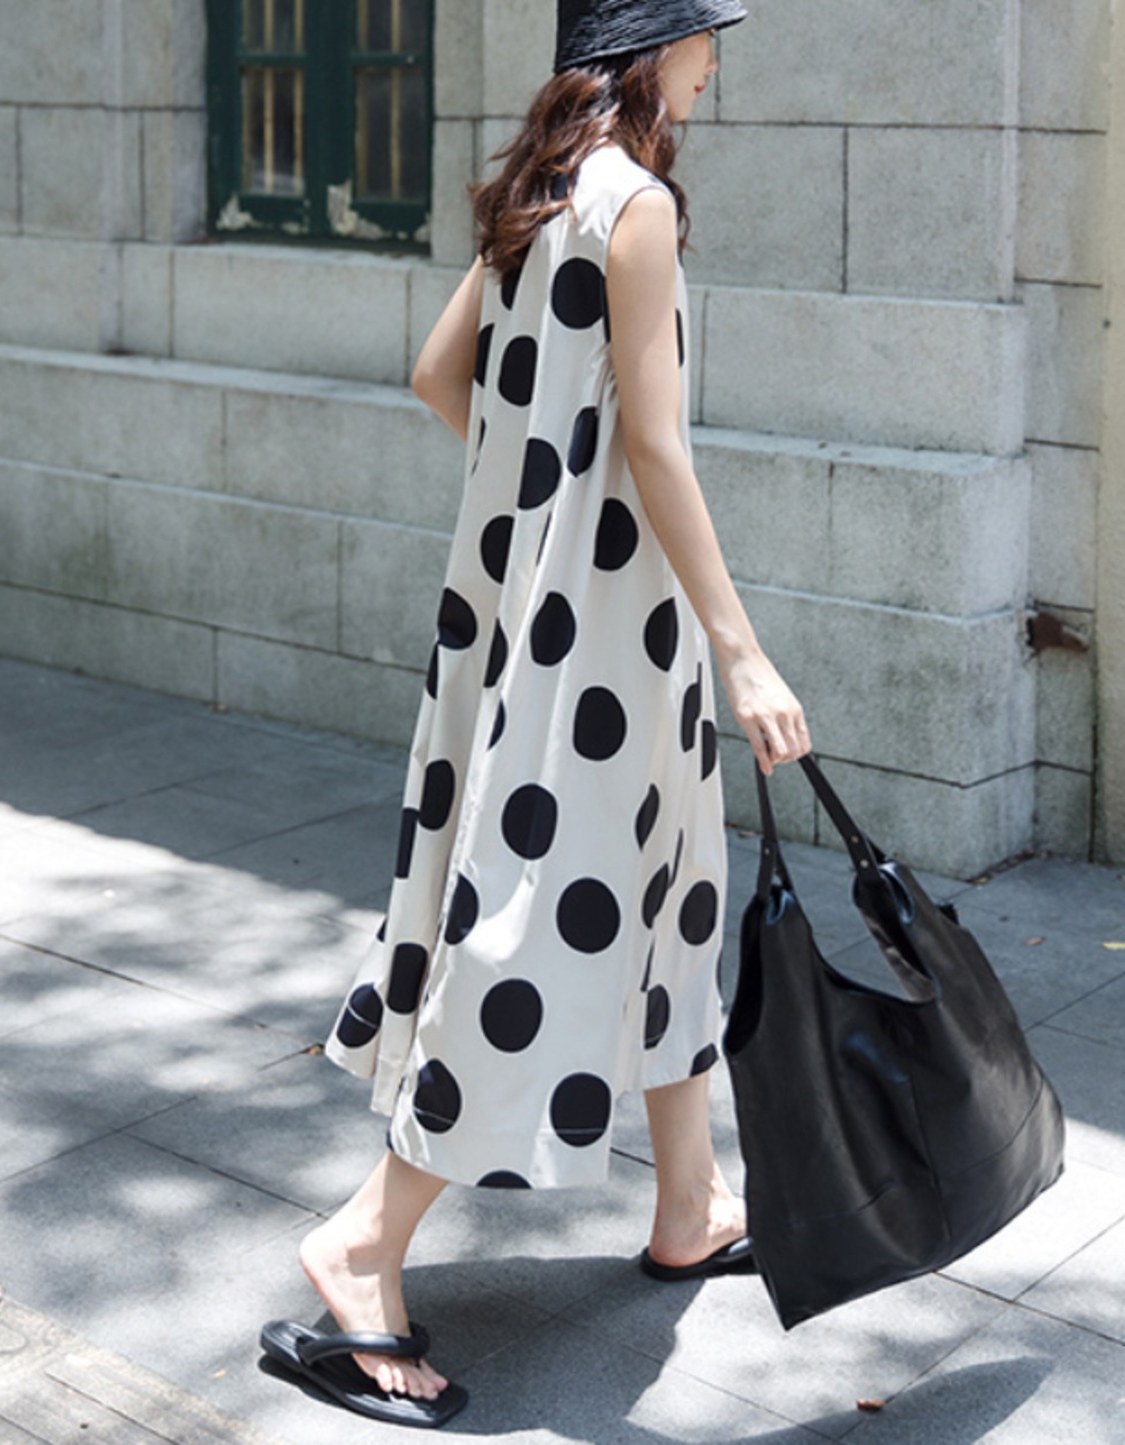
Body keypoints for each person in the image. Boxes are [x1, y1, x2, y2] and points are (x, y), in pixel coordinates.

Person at [260, 0, 811, 1427]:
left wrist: (542, 505)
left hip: (540, 616)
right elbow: (657, 445)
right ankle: (362, 1241)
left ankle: (687, 1201)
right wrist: (744, 650)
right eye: (705, 36)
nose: (717, 60)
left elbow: (438, 376)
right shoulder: (637, 210)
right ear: (652, 51)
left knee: (670, 894)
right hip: (610, 641)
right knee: (540, 920)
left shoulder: (542, 194)